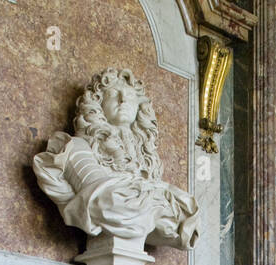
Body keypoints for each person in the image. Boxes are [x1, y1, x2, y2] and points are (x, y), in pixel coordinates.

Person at [33, 68, 199, 250]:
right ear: (97, 103)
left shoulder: (149, 162)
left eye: (130, 95)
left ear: (140, 106)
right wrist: (160, 198)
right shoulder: (75, 148)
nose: (123, 100)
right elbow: (106, 203)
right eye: (113, 94)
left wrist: (148, 199)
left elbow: (189, 218)